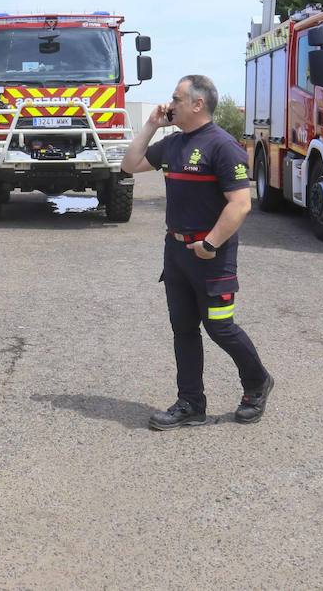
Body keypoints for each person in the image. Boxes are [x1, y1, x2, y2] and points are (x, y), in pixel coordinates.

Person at [120, 74, 273, 429]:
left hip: (211, 255)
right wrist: (150, 125)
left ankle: (257, 383)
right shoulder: (172, 144)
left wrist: (209, 244)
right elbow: (128, 165)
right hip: (176, 253)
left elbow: (240, 204)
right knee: (184, 328)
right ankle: (191, 403)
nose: (170, 104)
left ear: (197, 104)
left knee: (220, 326)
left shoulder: (223, 146)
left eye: (176, 98)